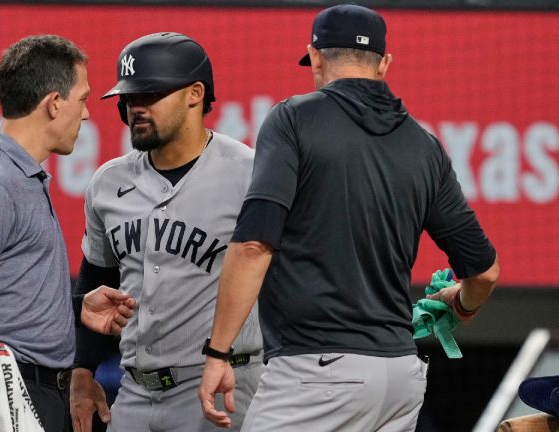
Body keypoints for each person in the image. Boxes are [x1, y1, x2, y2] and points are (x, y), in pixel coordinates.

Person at [198, 5, 500, 431]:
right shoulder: (424, 144)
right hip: (399, 375)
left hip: (317, 372)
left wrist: (218, 352)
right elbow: (484, 273)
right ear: (384, 64)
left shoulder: (293, 119)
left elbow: (253, 245)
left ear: (315, 56)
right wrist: (462, 302)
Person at [0, 34, 135, 432]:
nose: (88, 113)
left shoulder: (21, 177)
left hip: (38, 396)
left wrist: (75, 307)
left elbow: (7, 295)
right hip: (5, 398)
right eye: (83, 99)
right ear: (54, 104)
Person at [69, 32, 264, 432]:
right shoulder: (108, 182)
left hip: (222, 384)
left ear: (195, 94)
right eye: (127, 98)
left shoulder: (250, 173)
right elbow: (98, 278)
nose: (134, 107)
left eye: (149, 95)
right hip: (134, 392)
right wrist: (83, 369)